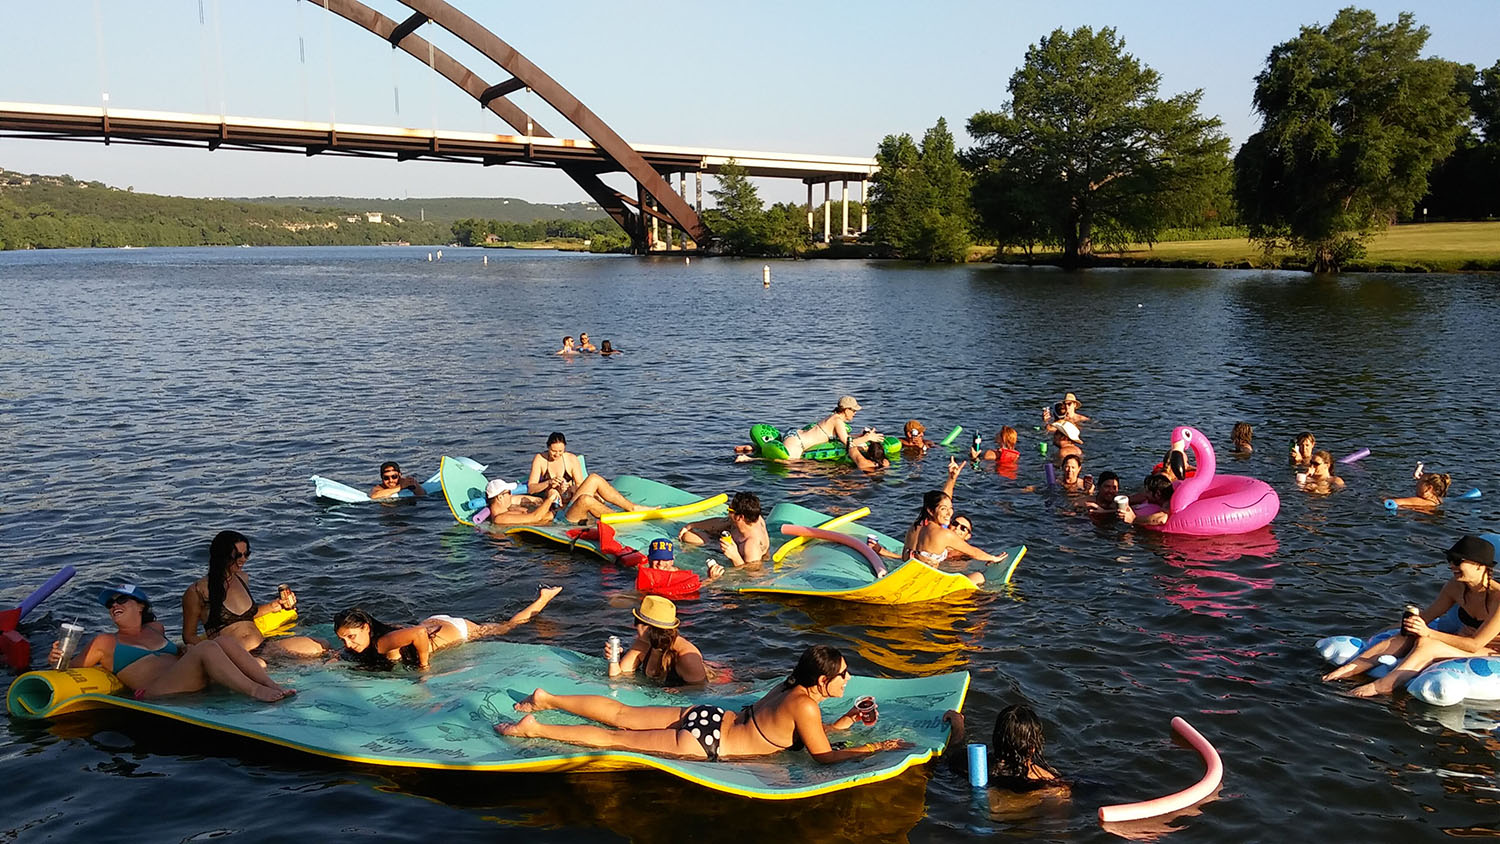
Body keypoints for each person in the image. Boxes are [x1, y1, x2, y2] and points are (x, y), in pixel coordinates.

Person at [496, 645, 912, 763]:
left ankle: (547, 699)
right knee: (614, 739)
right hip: (710, 744)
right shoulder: (807, 707)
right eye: (843, 675)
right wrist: (872, 748)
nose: (848, 678)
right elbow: (821, 756)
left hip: (711, 716)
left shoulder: (791, 687)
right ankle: (537, 727)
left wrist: (846, 721)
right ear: (824, 681)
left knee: (623, 716)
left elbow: (803, 734)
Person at [1324, 536, 1500, 698]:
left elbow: (1475, 644)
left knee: (1427, 643)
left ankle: (1381, 687)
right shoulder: (1455, 587)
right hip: (1463, 640)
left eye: (1457, 561)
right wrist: (1399, 629)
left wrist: (1428, 633)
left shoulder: (1498, 598)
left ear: (1480, 565)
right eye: (1449, 560)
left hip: (1491, 651)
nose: (1451, 565)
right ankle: (1350, 668)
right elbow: (1427, 617)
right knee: (1409, 635)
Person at [53, 584, 293, 702]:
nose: (114, 606)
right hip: (157, 690)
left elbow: (173, 655)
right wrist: (56, 657)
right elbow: (69, 669)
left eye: (122, 600)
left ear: (140, 606)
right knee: (208, 647)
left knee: (224, 641)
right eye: (111, 605)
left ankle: (271, 684)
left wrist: (183, 651)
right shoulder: (104, 642)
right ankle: (256, 691)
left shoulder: (156, 629)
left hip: (185, 677)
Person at [333, 585, 562, 671]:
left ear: (366, 627)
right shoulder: (376, 637)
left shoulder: (381, 643)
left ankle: (543, 598)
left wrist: (424, 668)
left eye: (352, 637)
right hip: (434, 624)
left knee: (507, 628)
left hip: (455, 630)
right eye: (343, 640)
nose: (349, 644)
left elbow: (419, 633)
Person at [182, 531, 325, 658]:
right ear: (221, 555)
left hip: (263, 646)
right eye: (238, 555)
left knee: (320, 646)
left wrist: (275, 606)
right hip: (232, 655)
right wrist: (217, 653)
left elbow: (244, 616)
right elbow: (189, 636)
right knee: (260, 665)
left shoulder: (242, 578)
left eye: (246, 554)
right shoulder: (196, 591)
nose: (243, 559)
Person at [870, 458, 1010, 584]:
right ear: (931, 511)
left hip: (904, 575)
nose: (949, 513)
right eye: (944, 509)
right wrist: (993, 558)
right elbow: (973, 552)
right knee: (979, 576)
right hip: (923, 583)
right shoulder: (944, 534)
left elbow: (943, 500)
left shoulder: (916, 525)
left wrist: (952, 479)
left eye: (951, 508)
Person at [943, 703, 1067, 793]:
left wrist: (958, 728)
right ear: (1032, 748)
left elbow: (949, 755)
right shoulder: (1052, 785)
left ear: (996, 738)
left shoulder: (973, 764)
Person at [526, 432, 646, 515]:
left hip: (571, 499)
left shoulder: (571, 459)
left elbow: (580, 485)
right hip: (556, 506)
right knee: (586, 494)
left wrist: (569, 488)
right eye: (553, 451)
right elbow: (531, 488)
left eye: (560, 451)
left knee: (593, 478)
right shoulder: (540, 459)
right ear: (548, 447)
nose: (557, 455)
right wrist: (549, 483)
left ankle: (631, 507)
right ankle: (622, 511)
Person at [609, 595, 707, 686]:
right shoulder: (643, 643)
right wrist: (613, 659)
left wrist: (676, 690)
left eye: (636, 622)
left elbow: (700, 687)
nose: (635, 627)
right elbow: (619, 677)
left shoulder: (687, 656)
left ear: (647, 628)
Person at [735, 395, 863, 461]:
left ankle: (752, 448)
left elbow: (845, 438)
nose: (855, 413)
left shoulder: (834, 418)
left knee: (782, 452)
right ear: (846, 410)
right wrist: (868, 438)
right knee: (787, 463)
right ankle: (747, 458)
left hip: (795, 435)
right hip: (798, 443)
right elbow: (848, 444)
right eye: (854, 410)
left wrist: (862, 435)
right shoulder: (837, 421)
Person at [677, 491, 770, 566]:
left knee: (688, 537)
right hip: (733, 542)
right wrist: (691, 525)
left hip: (740, 558)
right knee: (688, 535)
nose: (728, 513)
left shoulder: (751, 547)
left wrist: (735, 557)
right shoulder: (752, 518)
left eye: (730, 511)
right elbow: (721, 522)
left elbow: (752, 575)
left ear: (740, 517)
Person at [479, 478, 587, 527]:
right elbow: (535, 517)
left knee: (587, 486)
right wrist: (550, 499)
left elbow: (532, 501)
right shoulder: (500, 518)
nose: (511, 495)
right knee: (592, 482)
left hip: (559, 513)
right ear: (500, 497)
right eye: (508, 493)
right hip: (562, 519)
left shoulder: (507, 508)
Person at [636, 538, 724, 595]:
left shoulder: (679, 574)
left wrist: (711, 579)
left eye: (665, 559)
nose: (661, 563)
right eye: (657, 559)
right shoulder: (643, 576)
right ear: (649, 559)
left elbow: (689, 587)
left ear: (672, 560)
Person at [1387, 472, 1452, 510]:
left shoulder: (1419, 501)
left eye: (1419, 482)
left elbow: (1392, 502)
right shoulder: (1438, 500)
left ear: (1429, 488)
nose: (1416, 484)